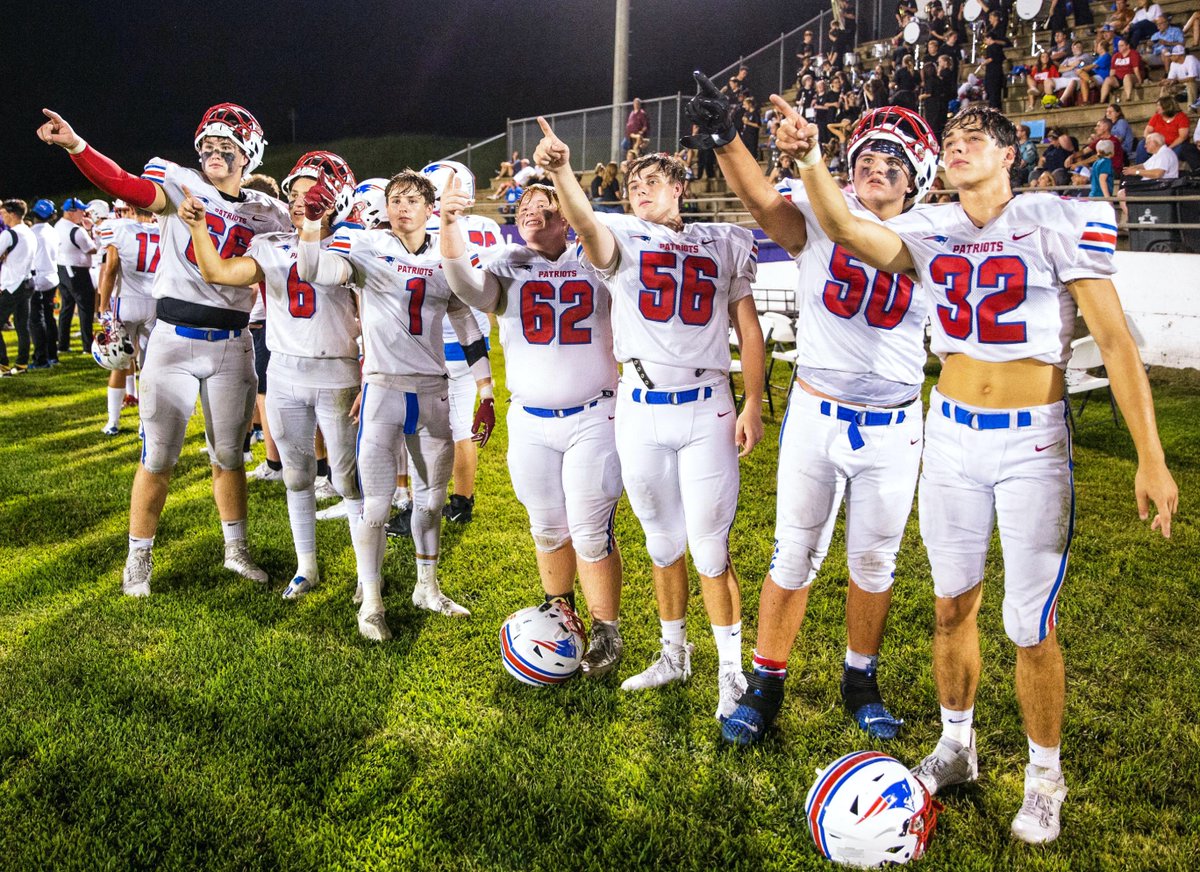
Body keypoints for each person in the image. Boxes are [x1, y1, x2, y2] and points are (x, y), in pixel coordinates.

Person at [773, 98, 1177, 844]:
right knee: (951, 606)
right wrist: (809, 160)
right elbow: (848, 230)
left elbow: (1117, 344)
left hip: (1031, 443)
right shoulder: (929, 226)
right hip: (951, 435)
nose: (957, 146)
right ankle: (957, 746)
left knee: (1029, 624)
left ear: (1009, 155)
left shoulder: (1056, 219)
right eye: (951, 138)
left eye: (975, 137)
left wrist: (1149, 456)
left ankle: (1044, 776)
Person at [686, 70, 940, 744]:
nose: (876, 167)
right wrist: (727, 138)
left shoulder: (932, 232)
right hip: (817, 413)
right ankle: (766, 682)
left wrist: (812, 161)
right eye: (867, 157)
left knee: (875, 562)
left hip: (894, 424)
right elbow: (765, 204)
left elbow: (850, 230)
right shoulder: (824, 213)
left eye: (892, 161)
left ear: (917, 178)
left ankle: (861, 679)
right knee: (793, 554)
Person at [533, 115, 765, 721]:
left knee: (709, 548)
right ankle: (673, 654)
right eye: (634, 183)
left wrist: (754, 402)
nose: (641, 189)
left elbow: (748, 327)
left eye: (654, 181)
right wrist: (562, 173)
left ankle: (732, 671)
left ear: (679, 188)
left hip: (707, 404)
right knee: (662, 541)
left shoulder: (723, 240)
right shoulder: (622, 236)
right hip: (640, 407)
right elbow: (587, 224)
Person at [37, 103, 293, 596]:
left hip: (233, 343)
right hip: (174, 338)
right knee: (158, 456)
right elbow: (124, 184)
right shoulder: (180, 184)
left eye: (226, 146)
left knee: (229, 455)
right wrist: (76, 145)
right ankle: (138, 556)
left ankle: (236, 549)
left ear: (248, 156)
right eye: (208, 145)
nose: (214, 153)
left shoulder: (268, 212)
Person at [296, 169, 495, 640]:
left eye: (412, 200)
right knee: (377, 504)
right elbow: (314, 271)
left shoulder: (446, 256)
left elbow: (467, 325)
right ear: (386, 208)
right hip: (383, 391)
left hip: (432, 392)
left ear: (429, 208)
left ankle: (427, 586)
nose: (402, 207)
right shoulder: (367, 246)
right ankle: (371, 599)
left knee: (431, 501)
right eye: (395, 200)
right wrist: (311, 226)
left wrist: (486, 393)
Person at [440, 180, 627, 677]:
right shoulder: (506, 263)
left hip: (593, 414)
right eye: (525, 206)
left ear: (567, 216)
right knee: (546, 526)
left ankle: (606, 629)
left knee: (590, 531)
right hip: (529, 419)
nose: (532, 211)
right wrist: (449, 222)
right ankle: (560, 613)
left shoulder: (596, 256)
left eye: (546, 206)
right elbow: (464, 285)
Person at [178, 151, 362, 604]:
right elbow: (218, 272)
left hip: (337, 370)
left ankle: (366, 573)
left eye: (311, 193)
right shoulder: (271, 244)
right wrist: (199, 227)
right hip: (283, 371)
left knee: (347, 479)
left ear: (336, 197)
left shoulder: (357, 243)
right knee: (296, 476)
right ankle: (306, 567)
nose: (299, 201)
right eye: (294, 193)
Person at [421, 161, 503, 526]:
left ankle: (456, 500)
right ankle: (458, 498)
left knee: (445, 427)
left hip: (442, 339)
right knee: (454, 425)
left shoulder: (429, 230)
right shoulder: (486, 228)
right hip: (471, 339)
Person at [95, 205, 160, 434]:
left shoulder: (118, 228)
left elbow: (111, 268)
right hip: (156, 302)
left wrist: (103, 307)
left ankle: (113, 422)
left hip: (127, 301)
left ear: (130, 208)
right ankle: (145, 425)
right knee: (149, 368)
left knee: (119, 361)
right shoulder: (163, 229)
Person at [54, 196, 98, 355]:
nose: (84, 214)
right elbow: (92, 249)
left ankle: (62, 344)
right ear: (71, 212)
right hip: (77, 271)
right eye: (81, 210)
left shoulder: (58, 225)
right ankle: (87, 346)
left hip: (62, 268)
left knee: (66, 307)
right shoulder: (76, 230)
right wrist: (90, 230)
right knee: (85, 308)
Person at [0, 200, 37, 376]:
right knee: (22, 325)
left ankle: (2, 364)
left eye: (3, 213)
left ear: (12, 213)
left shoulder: (9, 234)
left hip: (13, 285)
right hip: (27, 282)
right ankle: (21, 364)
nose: (1, 217)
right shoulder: (29, 232)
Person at [27, 199, 60, 369]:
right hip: (52, 277)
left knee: (36, 320)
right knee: (49, 317)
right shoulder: (53, 231)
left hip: (38, 279)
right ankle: (52, 355)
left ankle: (41, 359)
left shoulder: (31, 233)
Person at [1101, 37, 1145, 103]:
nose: (1119, 47)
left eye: (1122, 45)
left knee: (1127, 77)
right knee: (1107, 79)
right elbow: (1112, 70)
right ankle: (1102, 101)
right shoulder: (1116, 56)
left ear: (1127, 46)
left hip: (1131, 76)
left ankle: (1128, 98)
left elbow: (1136, 69)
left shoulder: (1134, 54)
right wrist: (1111, 78)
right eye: (1118, 46)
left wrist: (1139, 81)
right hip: (1119, 77)